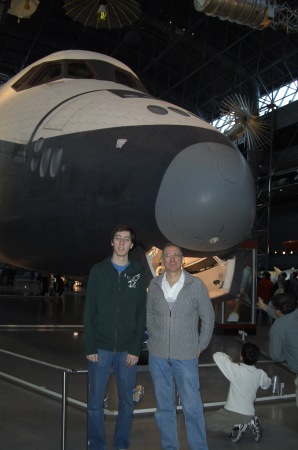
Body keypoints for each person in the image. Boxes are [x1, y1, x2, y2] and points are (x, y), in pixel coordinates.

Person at [83, 224, 147, 450]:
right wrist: (89, 344)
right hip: (99, 348)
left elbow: (141, 314)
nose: (121, 243)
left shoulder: (138, 273)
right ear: (112, 242)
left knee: (127, 403)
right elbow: (89, 309)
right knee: (94, 402)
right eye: (117, 239)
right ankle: (97, 444)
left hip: (126, 351)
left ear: (131, 244)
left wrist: (135, 348)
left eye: (126, 239)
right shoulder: (98, 271)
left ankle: (121, 444)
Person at [146, 242, 215, 450]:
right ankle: (169, 447)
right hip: (158, 357)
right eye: (168, 255)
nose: (172, 259)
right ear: (163, 259)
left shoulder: (196, 285)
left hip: (186, 357)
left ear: (182, 259)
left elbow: (208, 317)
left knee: (192, 408)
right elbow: (149, 315)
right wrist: (153, 340)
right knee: (164, 408)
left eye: (176, 255)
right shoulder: (155, 285)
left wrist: (200, 344)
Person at [205, 343, 271, 443]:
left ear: (241, 356)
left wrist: (228, 358)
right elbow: (267, 384)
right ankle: (249, 422)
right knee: (233, 421)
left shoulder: (235, 369)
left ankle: (235, 429)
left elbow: (217, 355)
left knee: (205, 423)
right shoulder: (260, 373)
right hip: (249, 413)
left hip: (231, 412)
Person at [267, 293, 298, 407]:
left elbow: (276, 356)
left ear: (278, 311)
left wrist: (290, 354)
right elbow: (288, 319)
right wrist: (266, 308)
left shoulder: (278, 326)